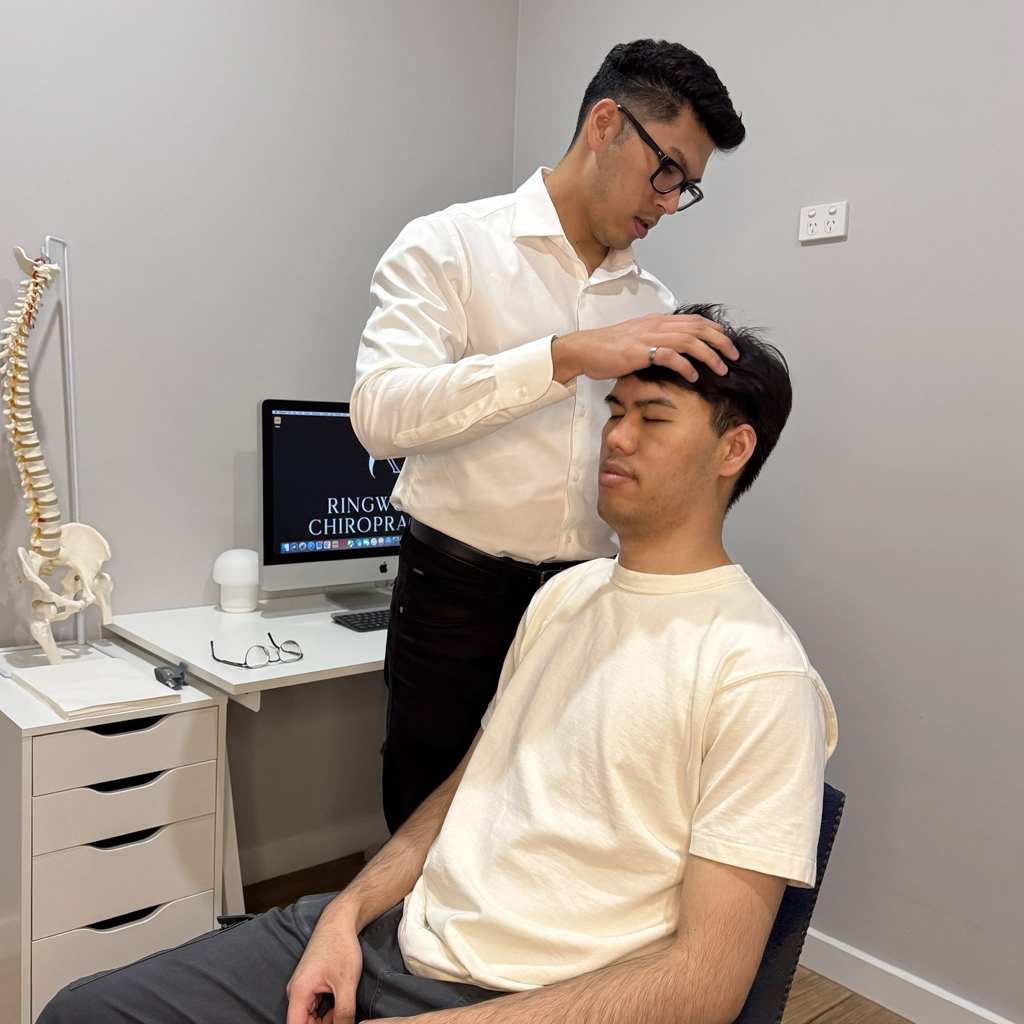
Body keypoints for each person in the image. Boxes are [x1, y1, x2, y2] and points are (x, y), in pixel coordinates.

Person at [40, 306, 837, 1024]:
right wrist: (345, 917)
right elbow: (469, 786)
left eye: (653, 418)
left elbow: (705, 986)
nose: (616, 437)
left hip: (523, 998)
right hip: (392, 937)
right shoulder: (568, 597)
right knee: (81, 1012)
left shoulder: (759, 674)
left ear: (734, 448)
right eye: (615, 411)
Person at [351, 39, 749, 832]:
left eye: (688, 187)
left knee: (548, 825)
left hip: (585, 603)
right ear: (606, 124)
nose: (669, 201)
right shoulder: (449, 247)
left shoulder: (653, 300)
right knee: (425, 822)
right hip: (453, 596)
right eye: (666, 170)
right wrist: (565, 357)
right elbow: (380, 414)